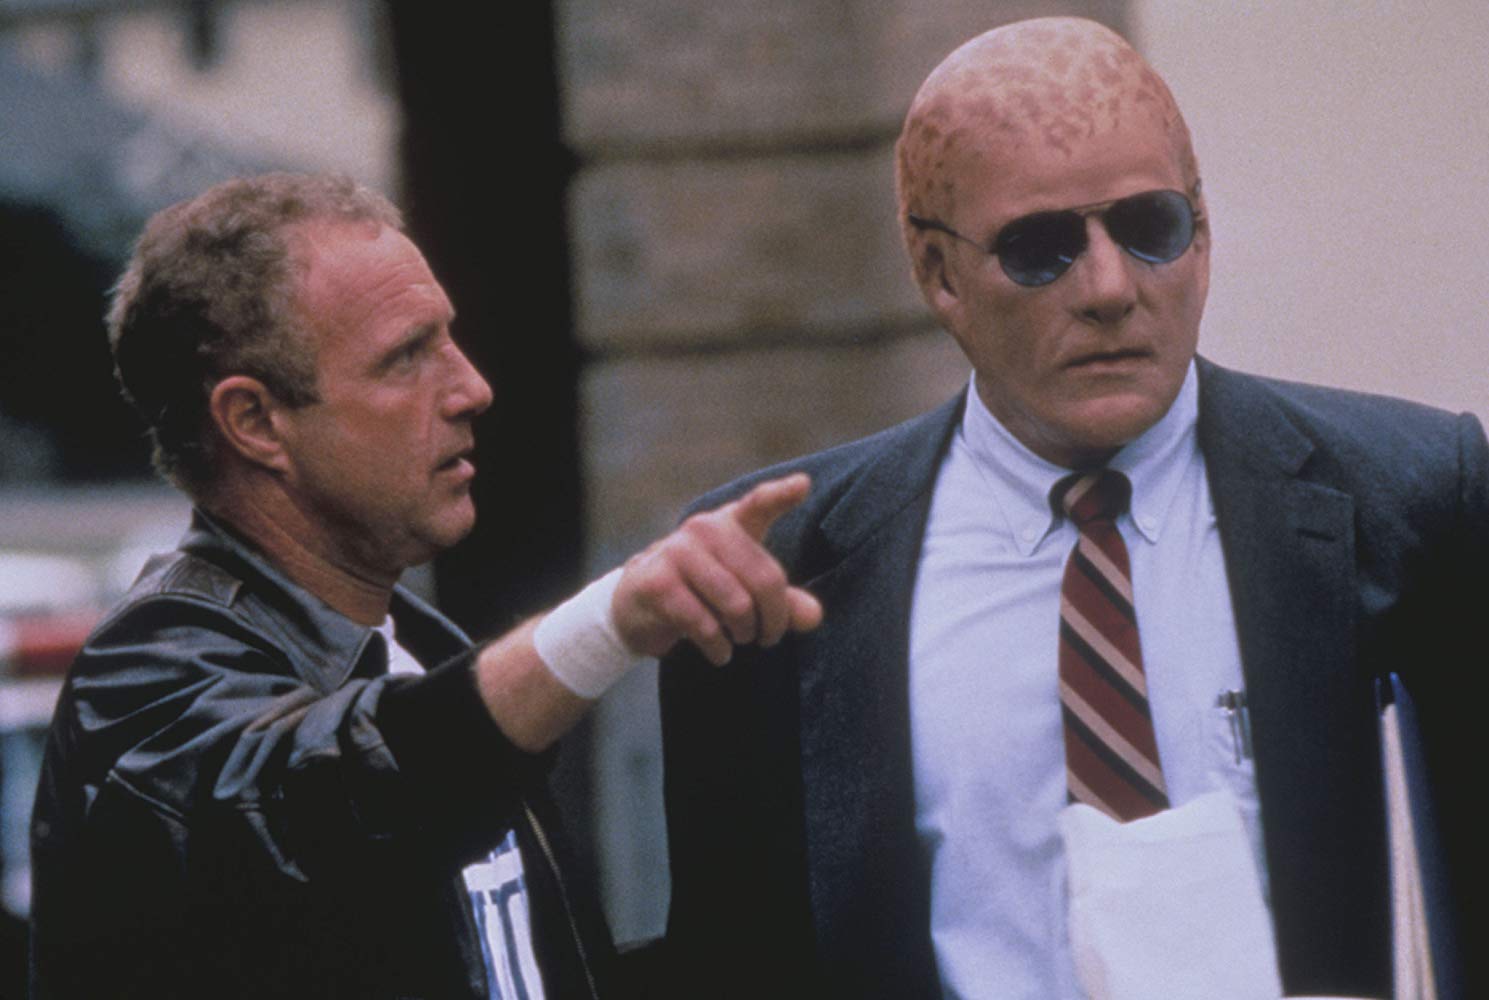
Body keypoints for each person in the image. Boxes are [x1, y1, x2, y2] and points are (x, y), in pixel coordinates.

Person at [658, 16, 1485, 1000]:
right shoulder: (778, 569)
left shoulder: (1412, 500)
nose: (1107, 287)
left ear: (1203, 231)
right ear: (936, 273)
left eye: (1149, 228)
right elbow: (733, 958)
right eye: (1040, 249)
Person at [27, 173, 821, 1000]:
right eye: (406, 356)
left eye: (448, 339)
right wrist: (609, 622)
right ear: (255, 423)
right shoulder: (145, 680)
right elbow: (318, 804)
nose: (472, 387)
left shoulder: (423, 649)